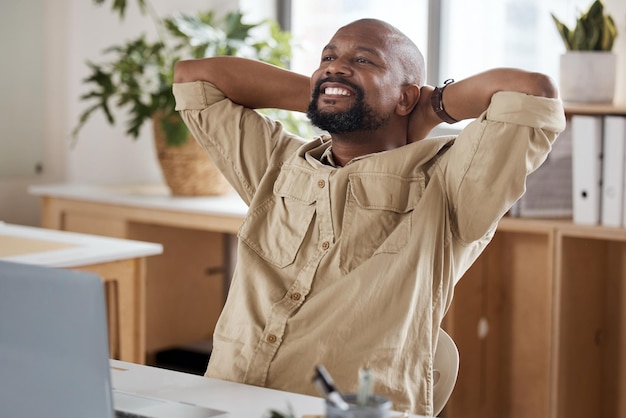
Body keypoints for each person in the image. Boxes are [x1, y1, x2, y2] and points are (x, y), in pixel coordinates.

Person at [173, 18, 565, 416]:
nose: (336, 65)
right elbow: (196, 79)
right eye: (328, 56)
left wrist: (430, 107)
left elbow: (532, 91)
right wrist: (331, 92)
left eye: (364, 60)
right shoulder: (277, 163)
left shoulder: (447, 185)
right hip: (225, 402)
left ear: (406, 96)